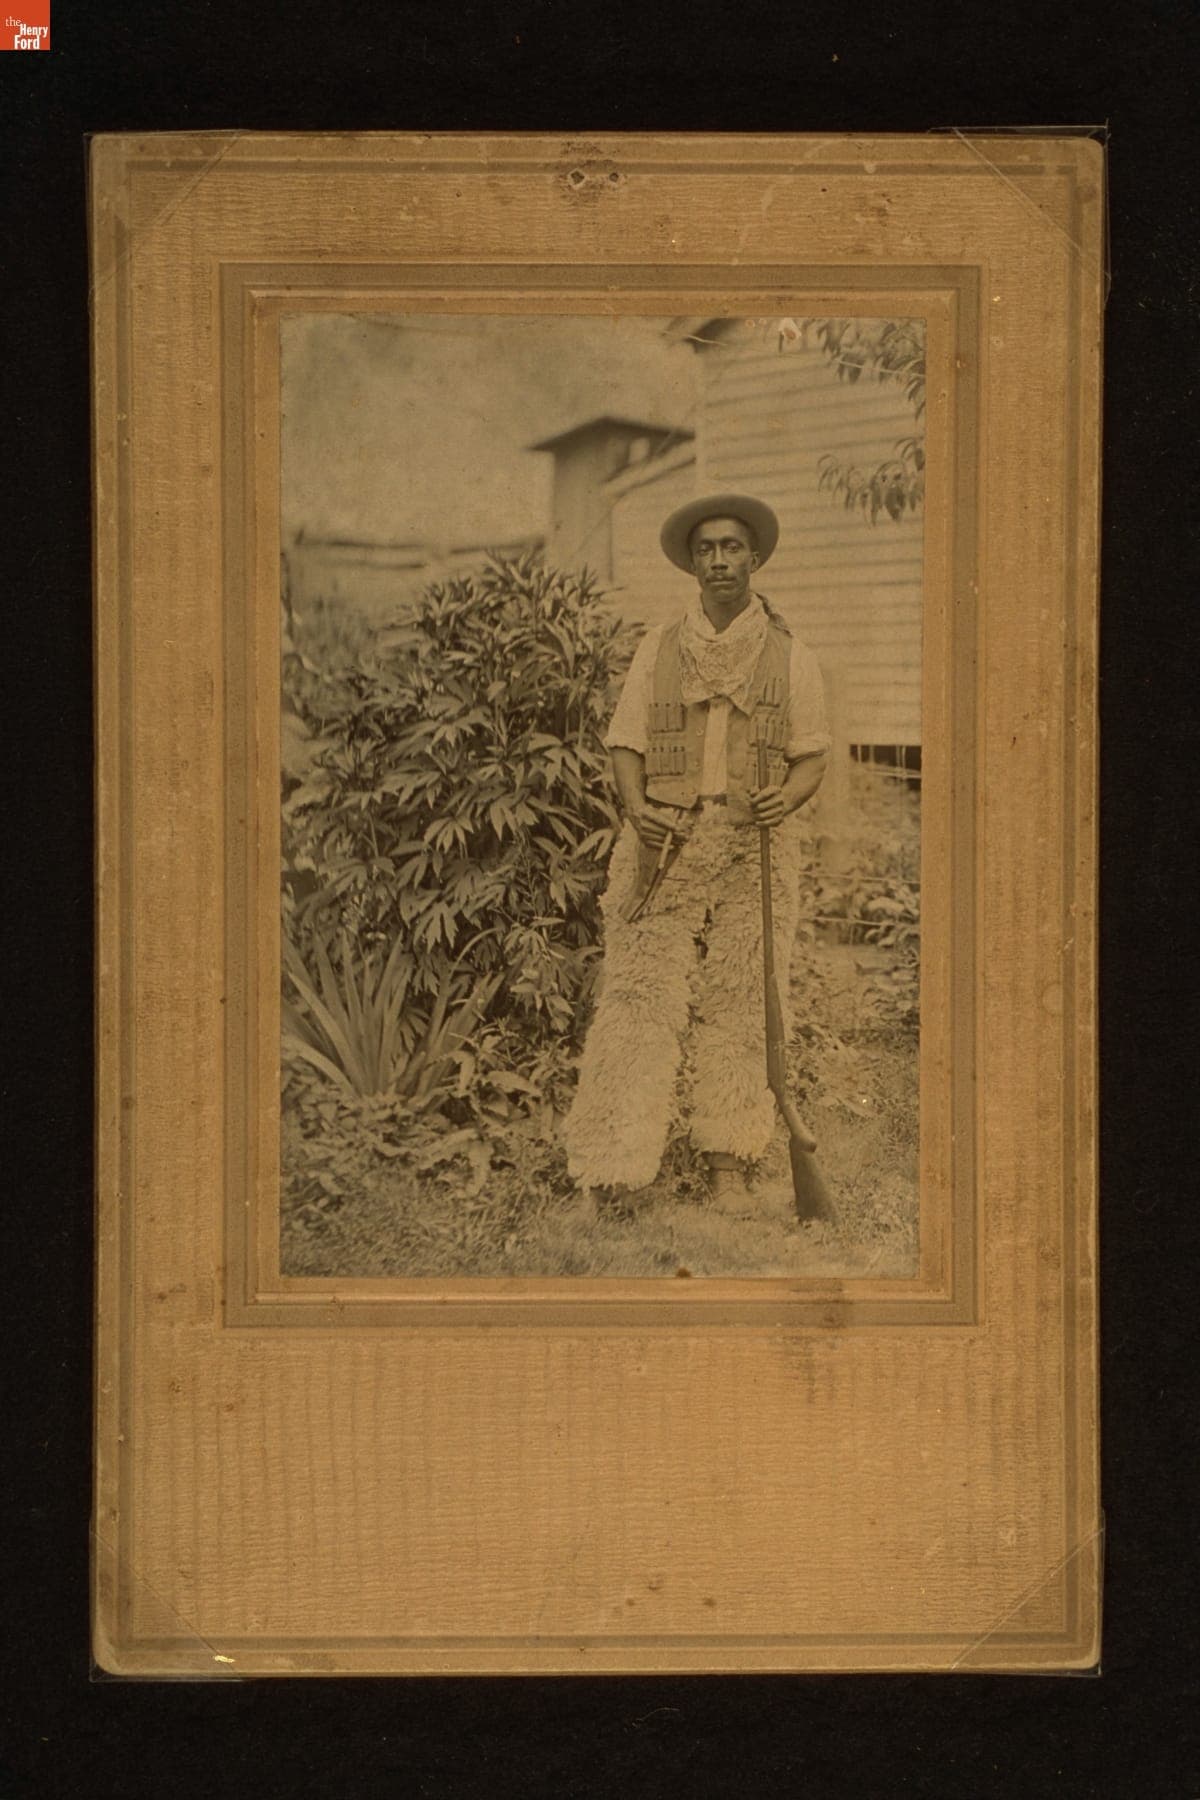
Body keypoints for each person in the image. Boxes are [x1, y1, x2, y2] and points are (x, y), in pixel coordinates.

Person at [563, 492, 831, 1217]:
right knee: (637, 998)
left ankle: (729, 1163)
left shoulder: (792, 655)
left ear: (754, 557)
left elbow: (812, 756)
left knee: (745, 999)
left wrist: (787, 799)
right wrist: (636, 809)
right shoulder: (659, 648)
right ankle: (610, 1172)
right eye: (706, 549)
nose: (719, 561)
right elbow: (625, 744)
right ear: (692, 563)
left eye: (731, 547)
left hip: (755, 843)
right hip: (665, 840)